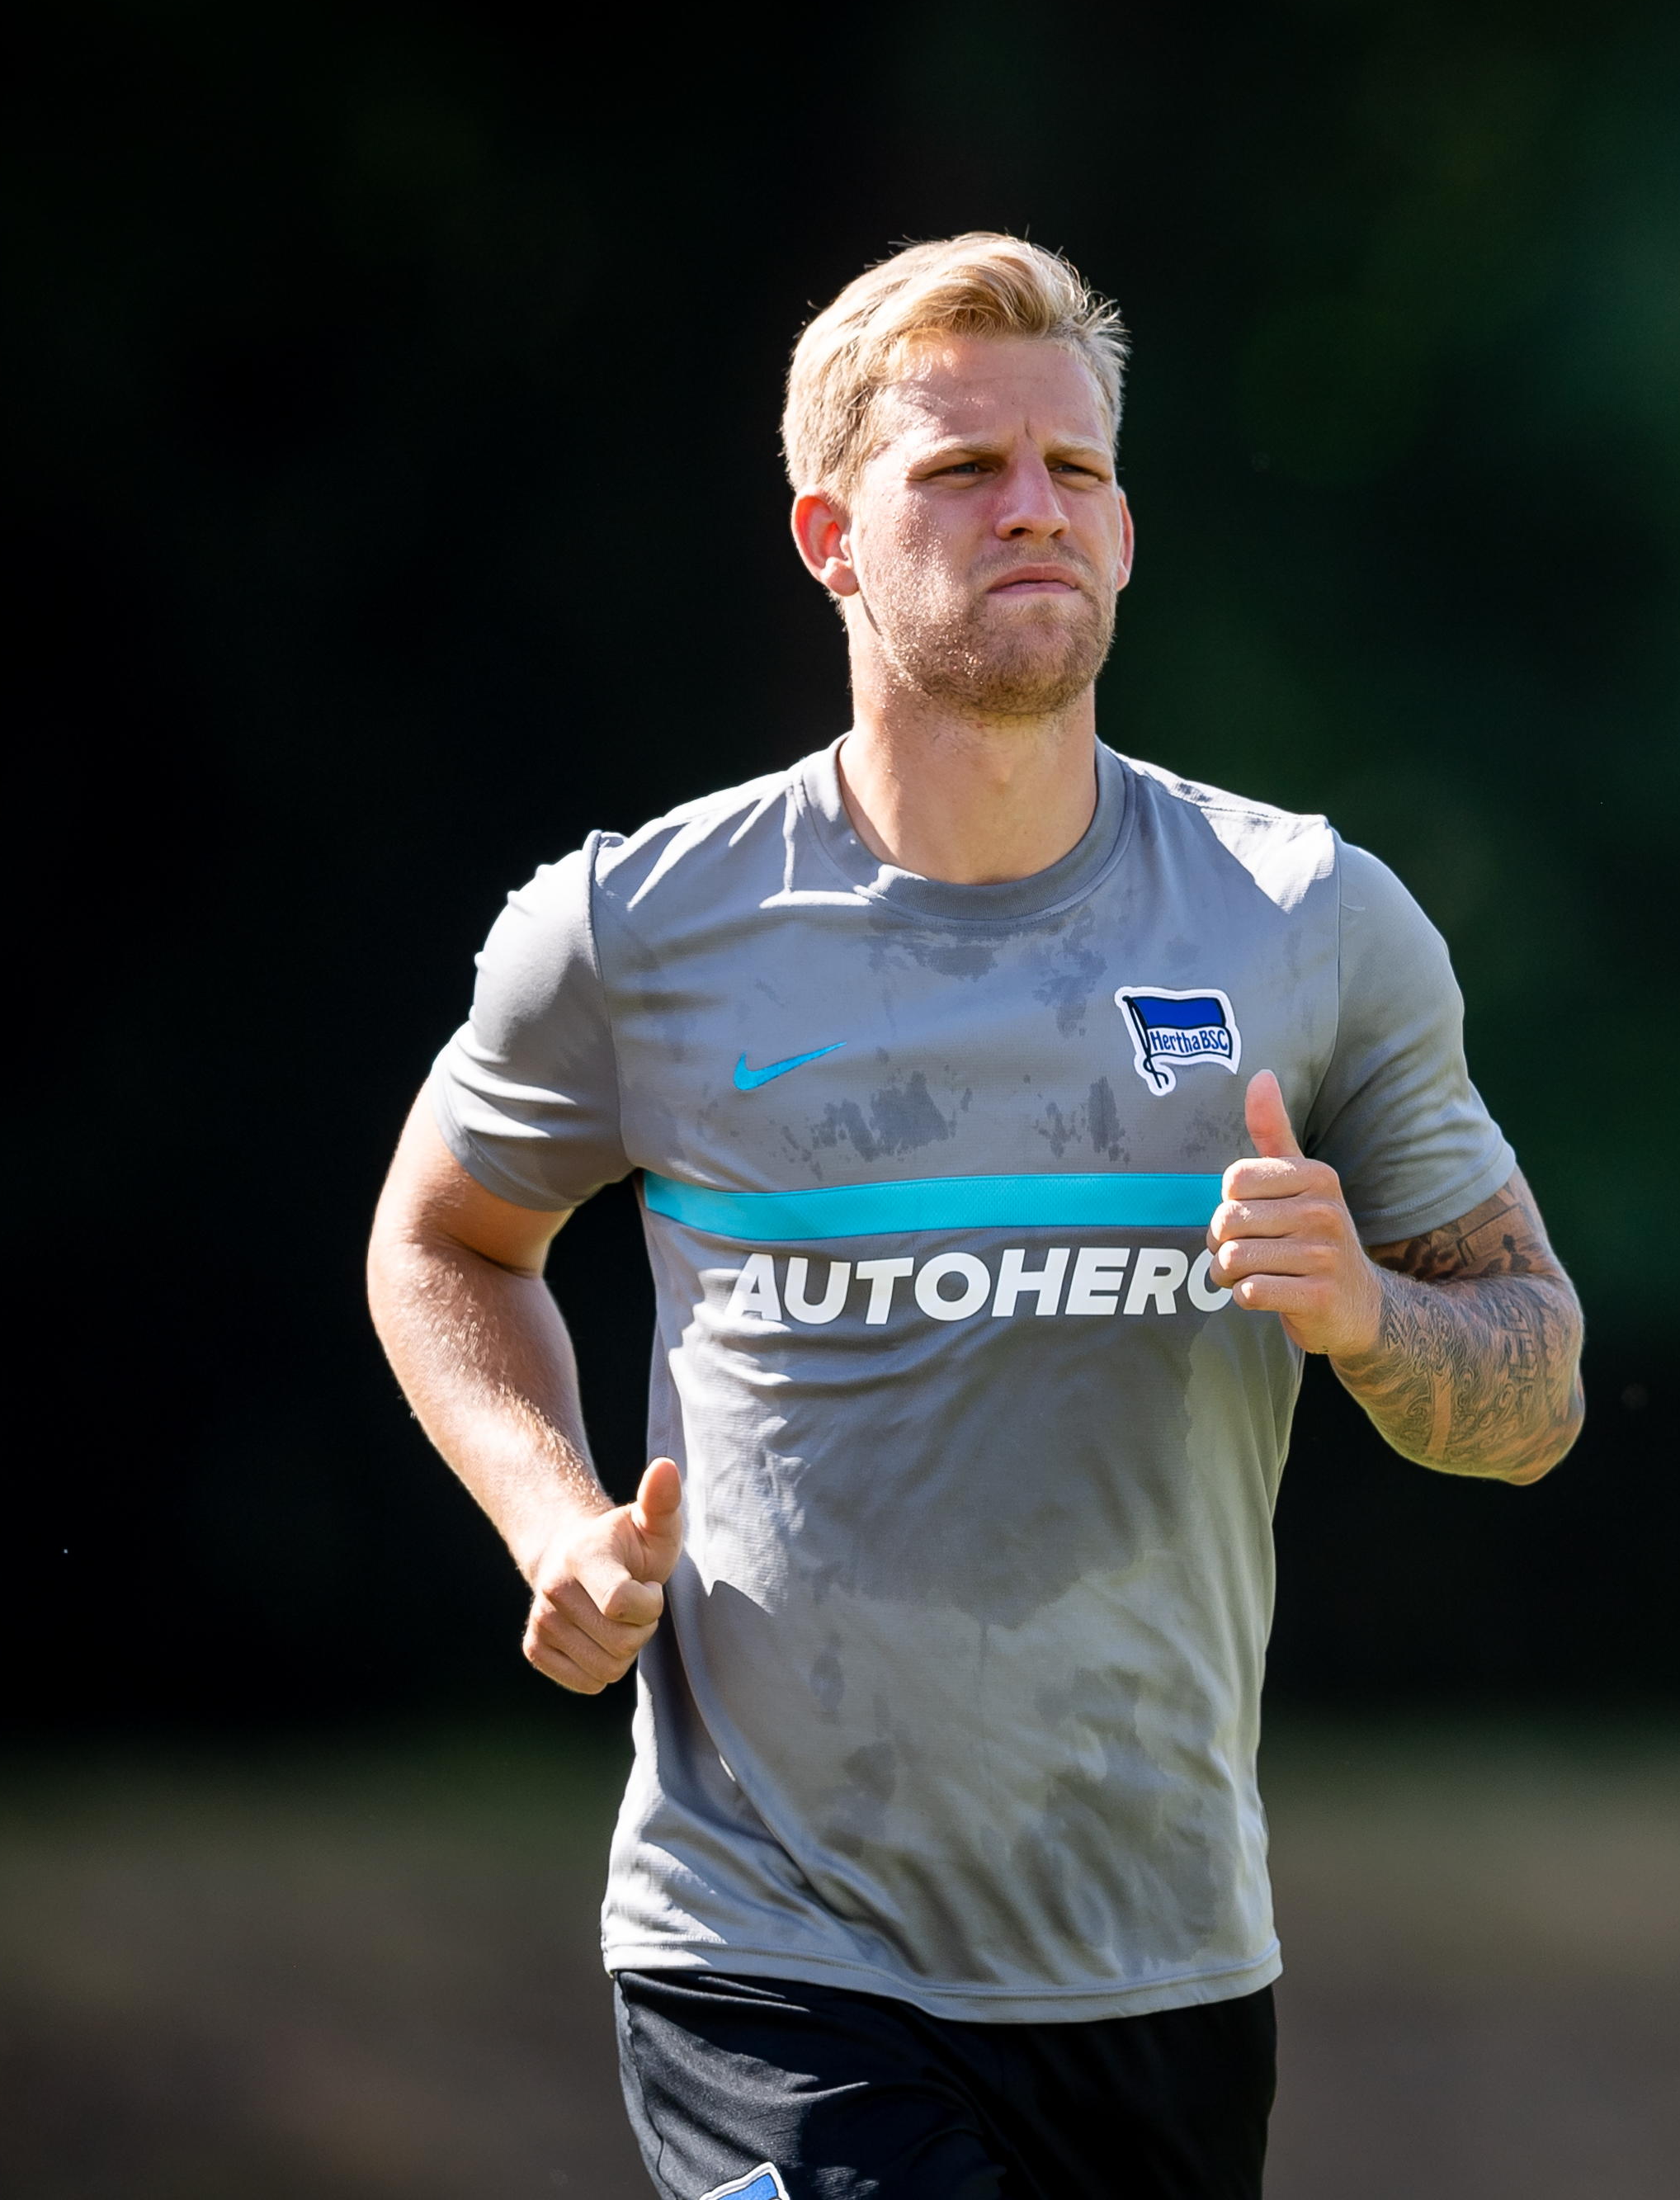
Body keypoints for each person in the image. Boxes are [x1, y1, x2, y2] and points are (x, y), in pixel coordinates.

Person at [366, 234, 1583, 2200]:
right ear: (827, 536)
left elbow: (1534, 1393)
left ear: (1125, 529)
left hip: (1166, 1965)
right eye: (961, 470)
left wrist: (1367, 1312)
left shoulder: (1307, 919)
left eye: (1073, 471)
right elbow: (443, 1240)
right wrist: (552, 1515)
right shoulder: (635, 928)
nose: (1033, 506)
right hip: (770, 1954)